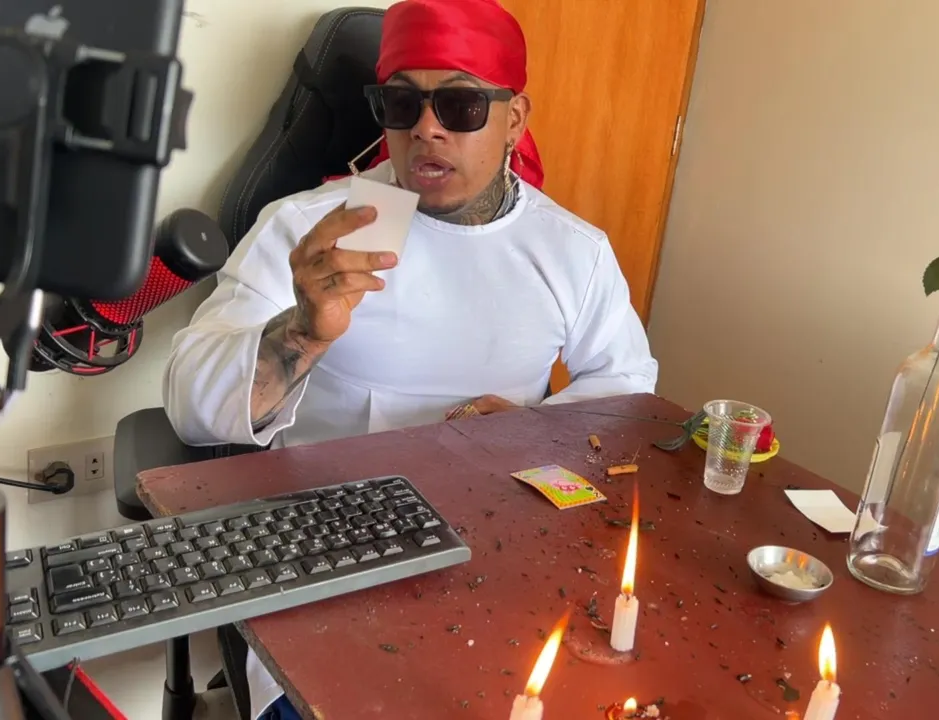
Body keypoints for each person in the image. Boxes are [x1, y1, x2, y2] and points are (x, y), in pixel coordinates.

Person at [161, 0, 657, 717]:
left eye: (460, 105)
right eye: (402, 104)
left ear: (514, 119)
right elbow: (194, 410)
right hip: (327, 549)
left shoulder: (571, 251)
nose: (427, 127)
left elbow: (627, 387)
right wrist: (302, 332)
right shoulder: (312, 231)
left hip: (503, 538)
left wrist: (532, 430)